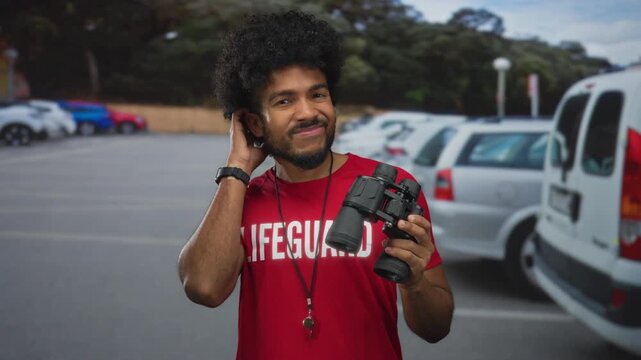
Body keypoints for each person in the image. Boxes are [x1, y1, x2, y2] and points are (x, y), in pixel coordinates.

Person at [178, 10, 454, 360]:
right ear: (253, 123)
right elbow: (203, 288)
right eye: (284, 101)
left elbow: (437, 328)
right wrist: (237, 166)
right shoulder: (241, 197)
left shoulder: (393, 187)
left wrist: (415, 283)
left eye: (318, 95)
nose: (308, 112)